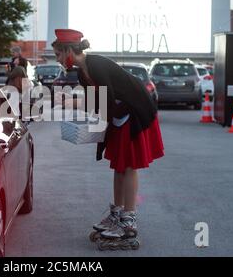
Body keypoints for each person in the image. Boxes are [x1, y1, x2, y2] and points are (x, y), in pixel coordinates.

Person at [52, 29, 164, 250]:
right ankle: (117, 214)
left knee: (129, 166)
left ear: (68, 51)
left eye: (57, 54)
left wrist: (73, 104)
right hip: (119, 116)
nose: (57, 60)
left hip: (133, 114)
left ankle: (128, 221)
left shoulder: (96, 65)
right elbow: (97, 104)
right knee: (118, 166)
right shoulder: (82, 73)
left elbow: (106, 100)